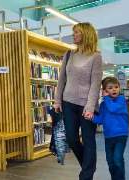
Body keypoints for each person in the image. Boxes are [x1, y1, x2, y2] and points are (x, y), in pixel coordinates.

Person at [54, 22, 103, 180]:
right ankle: (89, 165)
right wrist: (57, 101)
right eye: (74, 32)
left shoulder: (96, 56)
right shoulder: (69, 54)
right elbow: (61, 79)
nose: (74, 35)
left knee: (88, 140)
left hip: (86, 105)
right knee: (71, 139)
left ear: (86, 35)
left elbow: (95, 84)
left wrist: (90, 107)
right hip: (68, 102)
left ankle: (86, 175)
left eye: (77, 32)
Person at [93, 77, 129, 180]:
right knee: (110, 162)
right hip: (108, 137)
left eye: (116, 87)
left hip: (120, 136)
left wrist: (106, 98)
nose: (114, 89)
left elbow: (113, 109)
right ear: (105, 90)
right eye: (110, 87)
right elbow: (100, 119)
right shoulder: (104, 104)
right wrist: (91, 117)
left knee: (117, 159)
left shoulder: (121, 100)